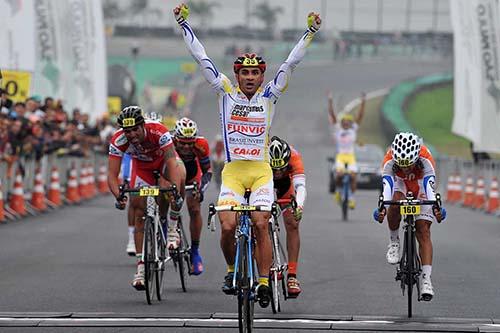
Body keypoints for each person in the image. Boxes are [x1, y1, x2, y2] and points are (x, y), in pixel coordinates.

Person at [173, 2, 321, 308]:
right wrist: (184, 25)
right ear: (237, 75)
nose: (250, 77)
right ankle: (231, 270)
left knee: (260, 221)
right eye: (245, 73)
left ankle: (265, 282)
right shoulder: (225, 91)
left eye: (255, 73)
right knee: (227, 226)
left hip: (261, 171)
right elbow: (201, 58)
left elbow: (290, 65)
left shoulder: (269, 95)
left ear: (260, 75)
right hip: (233, 172)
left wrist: (310, 32)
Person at [107, 106, 186, 290]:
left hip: (164, 164)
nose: (132, 135)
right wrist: (119, 196)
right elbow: (111, 175)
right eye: (128, 131)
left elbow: (172, 163)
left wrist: (174, 190)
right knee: (139, 212)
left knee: (179, 174)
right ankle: (141, 267)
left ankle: (173, 226)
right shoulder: (118, 139)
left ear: (143, 125)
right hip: (143, 169)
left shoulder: (158, 131)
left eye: (135, 129)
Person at [373, 132, 446, 301]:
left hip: (420, 185)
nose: (405, 169)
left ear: (416, 157)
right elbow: (387, 189)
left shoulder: (426, 158)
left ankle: (426, 280)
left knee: (423, 230)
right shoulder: (389, 161)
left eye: (409, 165)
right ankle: (394, 242)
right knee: (394, 203)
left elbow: (429, 189)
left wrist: (436, 208)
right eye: (402, 165)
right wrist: (383, 208)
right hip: (400, 184)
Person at [172, 117, 212, 275]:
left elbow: (208, 171)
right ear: (175, 139)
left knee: (194, 209)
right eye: (182, 143)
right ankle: (165, 228)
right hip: (172, 172)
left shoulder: (201, 144)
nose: (187, 147)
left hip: (192, 174)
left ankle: (195, 251)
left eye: (190, 143)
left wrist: (200, 189)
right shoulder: (167, 142)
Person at [268, 136, 306, 298]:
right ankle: (267, 267)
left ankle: (292, 275)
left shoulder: (294, 156)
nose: (277, 172)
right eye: (274, 169)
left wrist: (299, 206)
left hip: (286, 185)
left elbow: (301, 186)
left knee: (292, 223)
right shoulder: (262, 157)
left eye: (281, 169)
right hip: (264, 182)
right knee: (260, 222)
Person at [327, 91, 366, 209]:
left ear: (350, 123)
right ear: (342, 122)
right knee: (338, 175)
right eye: (344, 122)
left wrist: (363, 102)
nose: (346, 123)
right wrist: (330, 101)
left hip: (350, 156)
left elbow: (360, 116)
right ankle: (339, 191)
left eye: (348, 122)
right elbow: (333, 116)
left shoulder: (353, 129)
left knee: (353, 176)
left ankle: (351, 199)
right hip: (340, 156)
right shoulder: (338, 129)